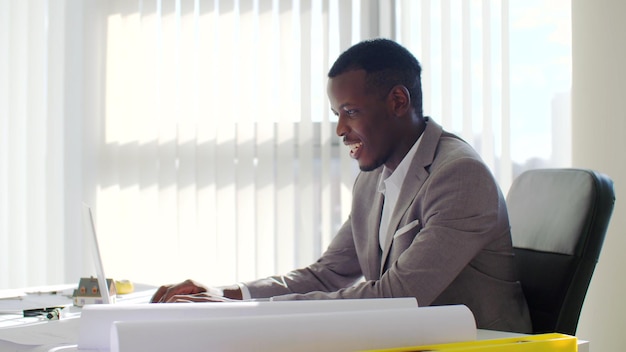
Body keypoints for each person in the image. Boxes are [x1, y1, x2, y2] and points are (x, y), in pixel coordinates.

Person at [151, 38, 532, 333]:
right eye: (337, 115)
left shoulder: (459, 176)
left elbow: (395, 297)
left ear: (398, 101)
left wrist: (245, 312)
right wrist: (224, 293)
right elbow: (327, 274)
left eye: (350, 112)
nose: (339, 130)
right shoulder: (372, 180)